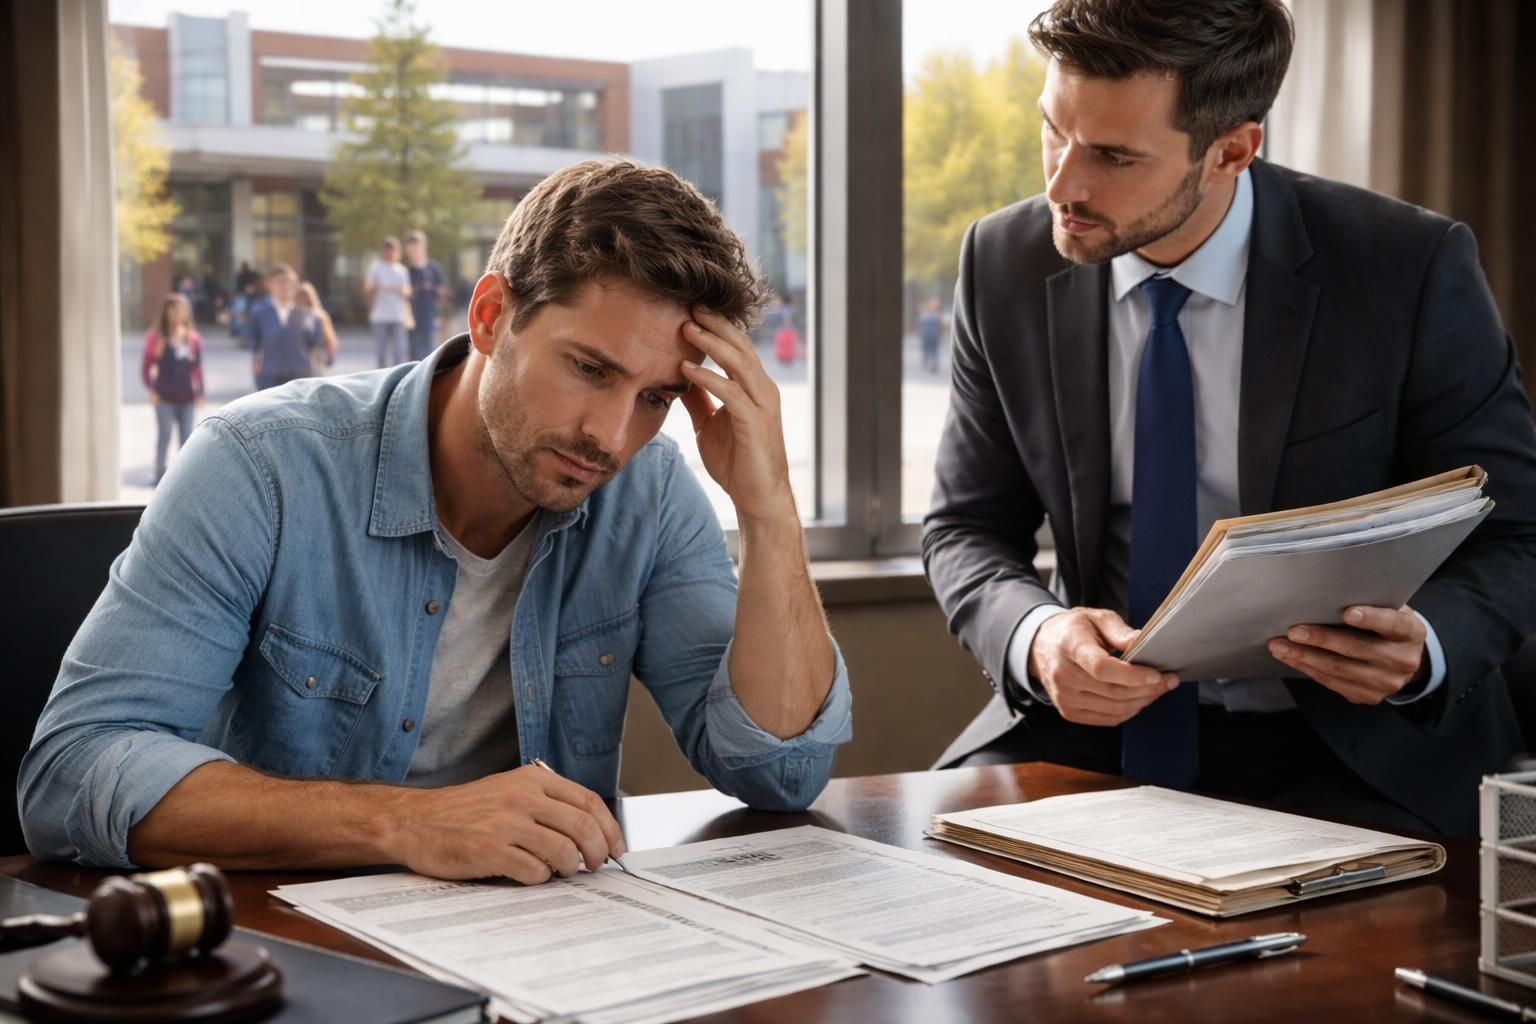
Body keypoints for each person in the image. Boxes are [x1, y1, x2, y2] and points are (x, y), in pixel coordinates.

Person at [21, 159, 851, 882]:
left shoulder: (650, 492)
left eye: (655, 398)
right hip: (289, 946)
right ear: (491, 317)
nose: (610, 436)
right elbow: (73, 771)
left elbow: (781, 772)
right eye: (589, 369)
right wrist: (407, 823)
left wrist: (770, 508)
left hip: (546, 944)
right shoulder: (261, 466)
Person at [923, 0, 1536, 837]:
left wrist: (1425, 643)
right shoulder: (1003, 262)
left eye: (1113, 156)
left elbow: (1519, 529)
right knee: (931, 880)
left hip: (1350, 744)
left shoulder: (1406, 267)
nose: (1062, 186)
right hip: (1090, 731)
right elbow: (965, 527)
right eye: (1053, 132)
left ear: (1233, 151)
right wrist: (1037, 635)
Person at [139, 292, 204, 485]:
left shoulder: (193, 339)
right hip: (164, 397)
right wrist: (152, 389)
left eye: (182, 309)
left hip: (187, 396)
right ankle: (159, 474)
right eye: (173, 309)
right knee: (164, 435)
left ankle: (184, 478)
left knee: (187, 438)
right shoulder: (156, 338)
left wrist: (200, 392)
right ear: (165, 312)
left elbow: (197, 368)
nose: (177, 313)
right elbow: (146, 367)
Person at [243, 263, 324, 391]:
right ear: (269, 284)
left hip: (301, 377)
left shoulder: (307, 315)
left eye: (290, 282)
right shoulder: (259, 313)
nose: (285, 286)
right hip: (270, 376)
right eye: (280, 281)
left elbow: (316, 345)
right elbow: (252, 340)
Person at [366, 236, 412, 367]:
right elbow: (367, 289)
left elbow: (408, 292)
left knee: (399, 352)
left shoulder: (401, 270)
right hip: (380, 316)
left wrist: (395, 289)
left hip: (398, 316)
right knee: (381, 352)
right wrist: (375, 287)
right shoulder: (376, 268)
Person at [404, 229, 447, 362]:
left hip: (430, 317)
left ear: (424, 247)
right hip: (411, 319)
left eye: (417, 248)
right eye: (411, 249)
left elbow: (443, 292)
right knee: (413, 356)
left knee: (430, 355)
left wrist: (440, 315)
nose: (414, 252)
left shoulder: (434, 269)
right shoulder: (406, 272)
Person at [296, 280, 339, 373]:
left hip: (316, 352)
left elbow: (329, 336)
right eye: (300, 296)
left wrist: (330, 354)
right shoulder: (292, 314)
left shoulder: (319, 315)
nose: (302, 299)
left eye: (304, 296)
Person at [917, 297, 943, 373]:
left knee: (934, 351)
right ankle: (925, 364)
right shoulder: (925, 314)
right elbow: (920, 324)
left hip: (934, 336)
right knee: (926, 351)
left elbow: (940, 325)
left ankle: (934, 365)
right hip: (926, 335)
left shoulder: (937, 314)